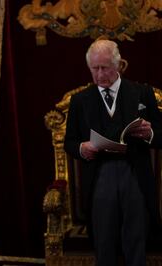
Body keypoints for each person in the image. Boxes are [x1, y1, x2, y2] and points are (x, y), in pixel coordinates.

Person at [64, 39, 162, 266]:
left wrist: (149, 133)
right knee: (104, 242)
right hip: (100, 175)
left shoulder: (142, 93)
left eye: (105, 67)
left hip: (134, 172)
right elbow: (69, 141)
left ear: (118, 65)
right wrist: (81, 148)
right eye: (94, 69)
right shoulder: (80, 100)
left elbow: (161, 132)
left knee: (136, 241)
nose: (99, 74)